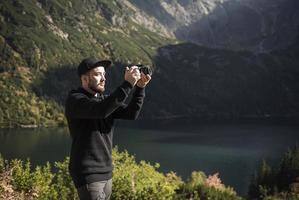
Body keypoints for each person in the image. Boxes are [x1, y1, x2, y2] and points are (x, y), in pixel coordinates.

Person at [64, 57, 151, 200]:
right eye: (98, 74)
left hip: (106, 172)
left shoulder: (104, 100)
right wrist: (128, 84)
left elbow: (131, 114)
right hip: (88, 173)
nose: (104, 78)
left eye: (104, 74)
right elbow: (100, 111)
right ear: (84, 79)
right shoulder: (76, 100)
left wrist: (140, 88)